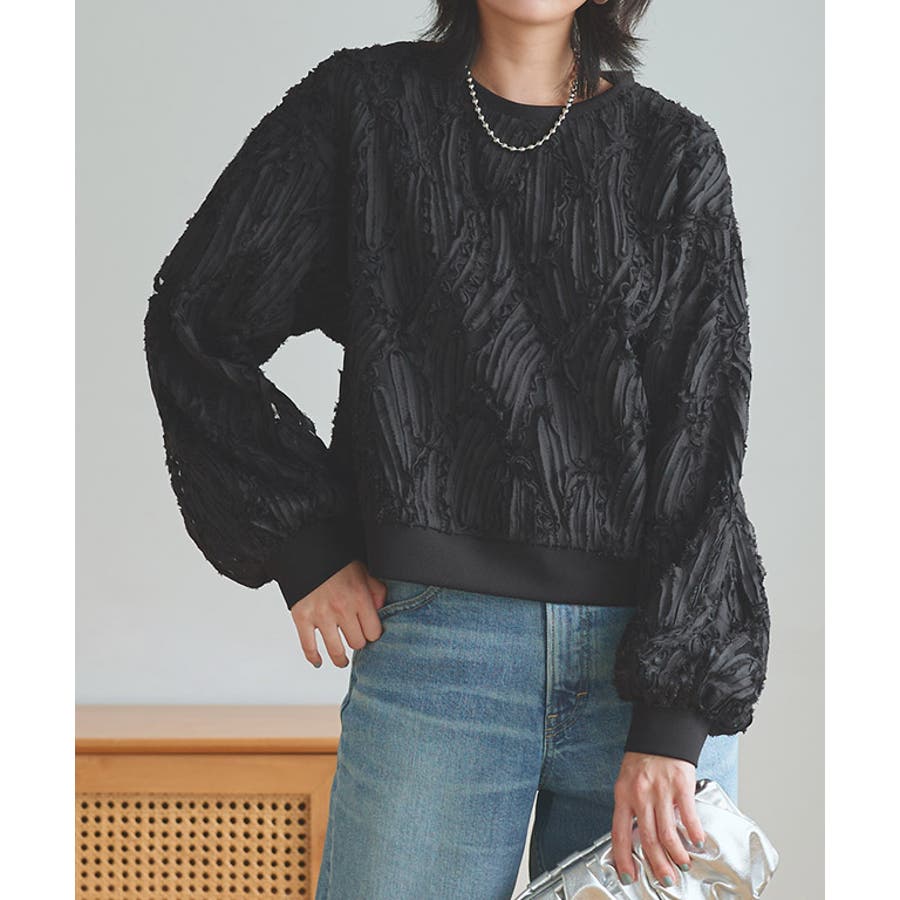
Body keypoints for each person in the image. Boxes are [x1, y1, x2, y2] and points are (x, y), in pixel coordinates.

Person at [143, 1, 771, 897]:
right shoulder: (363, 110)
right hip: (439, 660)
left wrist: (674, 720)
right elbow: (195, 317)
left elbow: (704, 431)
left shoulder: (673, 152)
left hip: (647, 665)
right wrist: (301, 541)